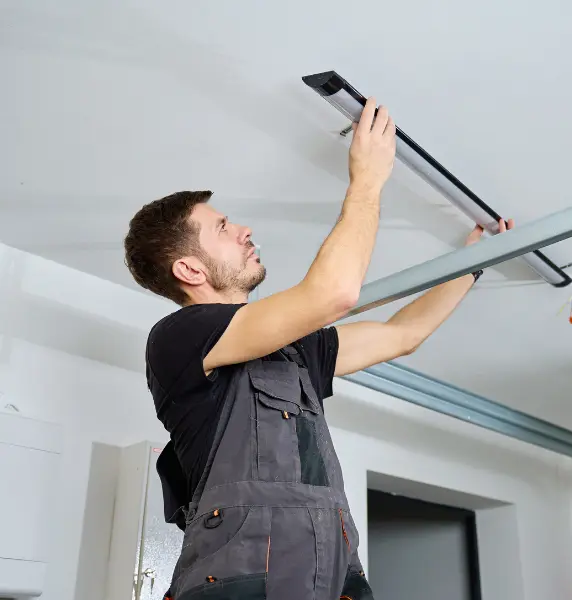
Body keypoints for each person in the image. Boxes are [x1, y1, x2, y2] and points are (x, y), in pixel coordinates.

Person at [123, 98, 514, 600]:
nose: (245, 231)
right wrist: (367, 181)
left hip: (332, 574)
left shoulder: (294, 350)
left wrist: (475, 263)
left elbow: (402, 336)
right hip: (244, 579)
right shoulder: (179, 338)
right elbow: (333, 295)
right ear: (190, 271)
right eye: (222, 228)